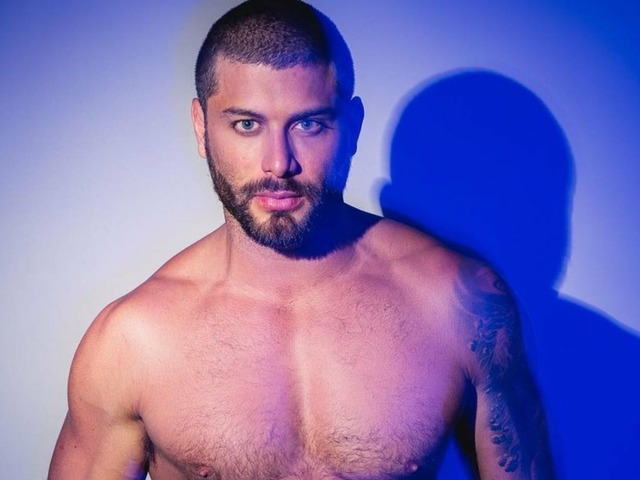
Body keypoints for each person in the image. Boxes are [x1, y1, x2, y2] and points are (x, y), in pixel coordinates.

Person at [48, 1, 555, 479]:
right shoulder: (134, 341)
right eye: (246, 124)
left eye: (309, 124)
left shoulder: (458, 304)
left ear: (350, 127)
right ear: (202, 127)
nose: (278, 163)